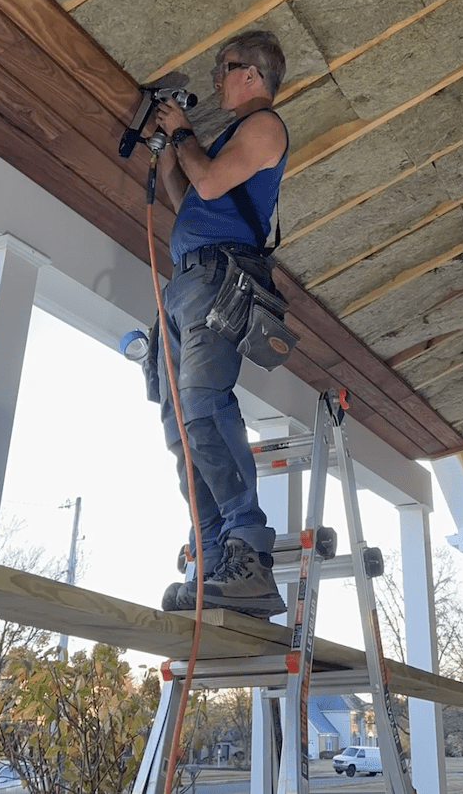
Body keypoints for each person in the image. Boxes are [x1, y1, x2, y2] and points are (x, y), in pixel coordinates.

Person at [152, 30, 289, 619]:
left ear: (253, 76)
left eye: (224, 69)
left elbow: (206, 180)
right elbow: (184, 192)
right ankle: (212, 557)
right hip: (186, 281)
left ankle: (248, 554)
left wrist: (184, 133)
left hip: (217, 277)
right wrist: (167, 145)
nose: (217, 80)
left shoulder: (265, 127)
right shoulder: (229, 140)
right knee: (178, 420)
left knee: (205, 406)